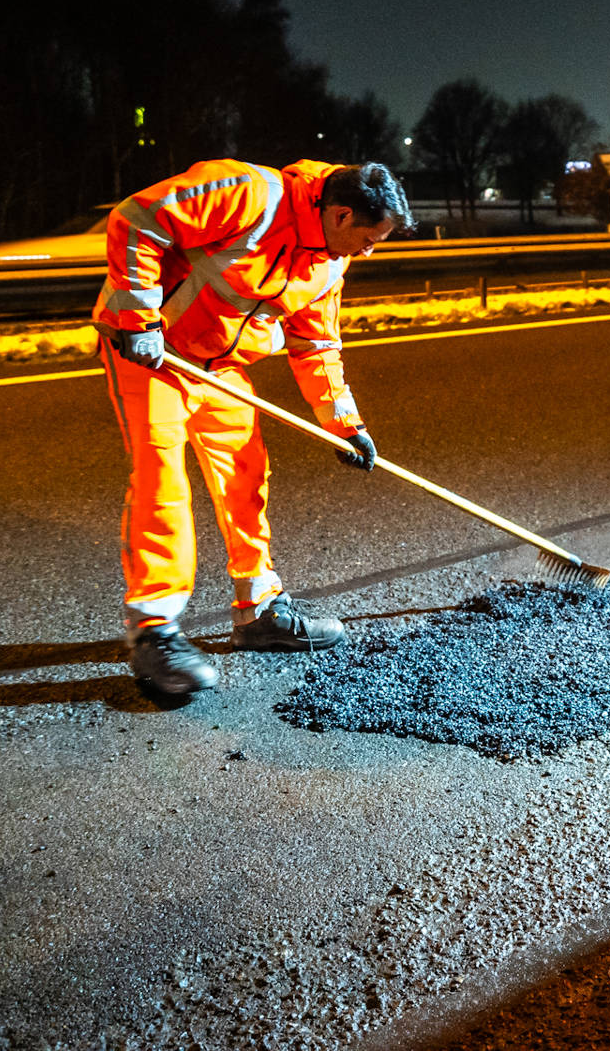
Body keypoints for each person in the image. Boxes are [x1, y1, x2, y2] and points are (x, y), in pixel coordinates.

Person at [94, 159, 413, 696]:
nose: (367, 253)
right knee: (160, 479)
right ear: (341, 214)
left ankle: (258, 610)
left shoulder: (328, 262)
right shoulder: (249, 193)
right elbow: (137, 218)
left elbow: (316, 345)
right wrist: (138, 318)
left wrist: (344, 423)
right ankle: (154, 630)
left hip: (220, 366)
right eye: (368, 240)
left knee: (245, 476)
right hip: (153, 355)